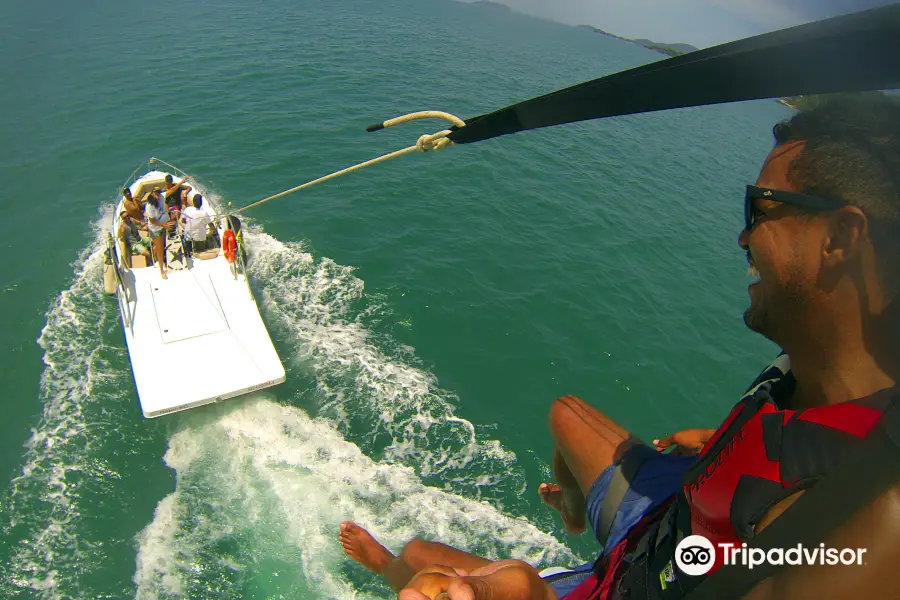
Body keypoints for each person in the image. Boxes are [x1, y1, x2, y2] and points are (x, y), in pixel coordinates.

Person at [343, 95, 900, 600]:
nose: (743, 237)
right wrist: (718, 444)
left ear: (841, 240)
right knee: (564, 416)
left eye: (761, 209)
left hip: (639, 581)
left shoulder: (866, 518)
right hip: (671, 512)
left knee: (452, 578)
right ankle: (567, 514)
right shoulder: (808, 368)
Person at [144, 187, 175, 279]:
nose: (157, 194)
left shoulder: (161, 197)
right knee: (160, 249)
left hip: (163, 224)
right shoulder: (149, 206)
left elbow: (171, 190)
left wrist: (181, 182)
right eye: (155, 192)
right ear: (152, 193)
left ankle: (156, 257)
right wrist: (165, 226)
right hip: (156, 229)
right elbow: (152, 221)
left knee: (159, 246)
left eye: (159, 192)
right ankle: (161, 270)